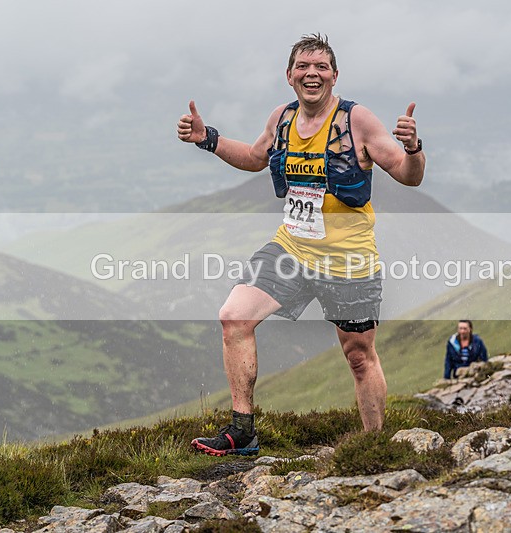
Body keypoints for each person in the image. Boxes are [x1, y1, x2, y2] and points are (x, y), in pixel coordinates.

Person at [177, 33, 425, 457]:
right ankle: (243, 431)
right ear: (289, 75)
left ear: (334, 76)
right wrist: (208, 138)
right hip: (291, 249)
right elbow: (255, 157)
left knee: (359, 356)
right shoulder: (283, 118)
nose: (312, 74)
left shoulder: (357, 121)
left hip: (349, 260)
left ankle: (375, 446)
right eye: (303, 67)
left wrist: (413, 147)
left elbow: (408, 175)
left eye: (321, 67)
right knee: (234, 317)